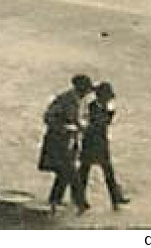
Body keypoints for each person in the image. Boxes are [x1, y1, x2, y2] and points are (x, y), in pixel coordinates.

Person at [40, 74, 95, 214]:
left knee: (64, 173)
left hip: (68, 143)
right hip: (57, 142)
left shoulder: (76, 101)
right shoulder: (65, 100)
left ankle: (54, 200)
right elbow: (48, 117)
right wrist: (65, 128)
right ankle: (80, 203)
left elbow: (74, 119)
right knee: (71, 172)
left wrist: (80, 127)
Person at [78, 82, 129, 210]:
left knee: (104, 171)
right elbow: (96, 123)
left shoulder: (102, 108)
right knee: (86, 171)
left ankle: (114, 198)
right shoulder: (93, 107)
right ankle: (80, 198)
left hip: (99, 142)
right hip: (91, 142)